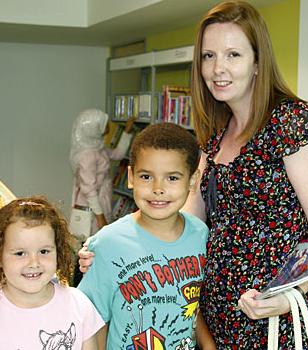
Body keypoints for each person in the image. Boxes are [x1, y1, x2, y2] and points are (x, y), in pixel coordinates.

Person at [80, 1, 308, 348]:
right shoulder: (216, 136)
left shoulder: (290, 123)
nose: (218, 68)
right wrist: (111, 247)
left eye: (233, 55)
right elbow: (180, 219)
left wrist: (290, 291)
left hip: (272, 317)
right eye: (208, 56)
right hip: (213, 316)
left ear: (258, 62)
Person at [77, 123, 211, 350]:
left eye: (172, 178)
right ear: (130, 177)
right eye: (146, 176)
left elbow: (192, 305)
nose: (158, 188)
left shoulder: (200, 234)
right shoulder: (108, 243)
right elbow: (91, 321)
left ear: (193, 179)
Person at [0, 196, 105, 350]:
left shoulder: (79, 304)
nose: (34, 263)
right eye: (20, 253)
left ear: (58, 252)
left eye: (44, 251)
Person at [69, 108, 135, 235]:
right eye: (104, 124)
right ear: (92, 129)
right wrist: (100, 217)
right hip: (92, 208)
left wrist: (126, 132)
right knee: (93, 241)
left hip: (101, 200)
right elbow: (89, 190)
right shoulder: (87, 156)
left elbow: (117, 154)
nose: (108, 126)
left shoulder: (96, 146)